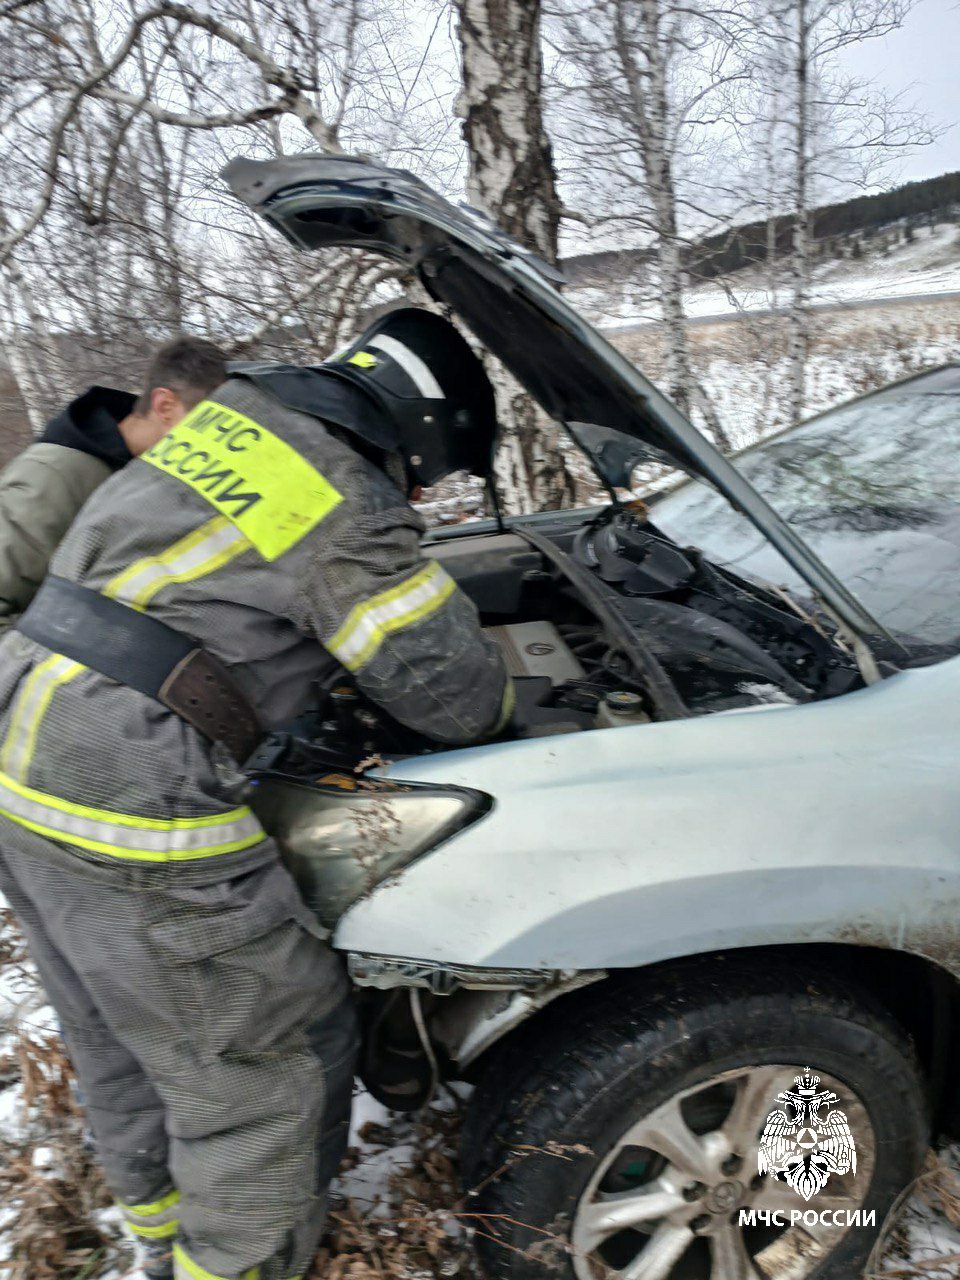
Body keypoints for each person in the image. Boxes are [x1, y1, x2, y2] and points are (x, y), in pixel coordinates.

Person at [0, 307, 512, 1280]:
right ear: (414, 431)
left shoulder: (233, 420)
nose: (418, 490)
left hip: (22, 734)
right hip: (118, 775)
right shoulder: (338, 493)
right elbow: (455, 697)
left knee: (121, 1028)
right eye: (425, 474)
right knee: (264, 1052)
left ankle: (160, 1234)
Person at [0, 337, 228, 629]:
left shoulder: (145, 474)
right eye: (211, 425)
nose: (217, 444)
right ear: (165, 405)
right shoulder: (55, 475)